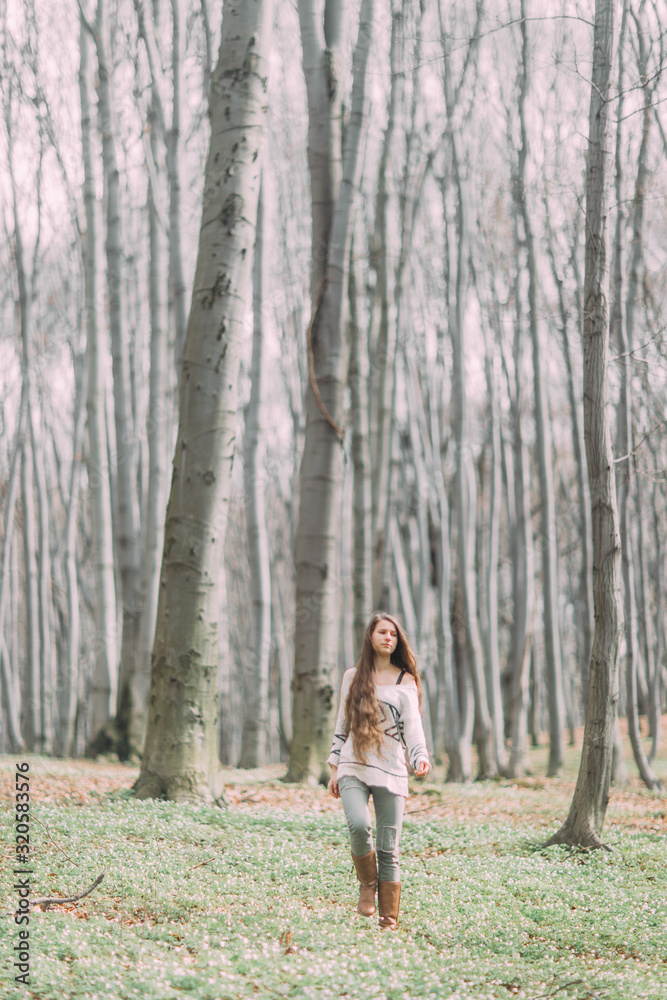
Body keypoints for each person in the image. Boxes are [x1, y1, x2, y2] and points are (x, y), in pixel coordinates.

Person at [327, 611, 431, 928]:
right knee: (359, 826)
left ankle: (389, 914)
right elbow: (342, 724)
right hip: (352, 765)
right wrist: (333, 767)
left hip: (391, 770)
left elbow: (413, 728)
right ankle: (367, 885)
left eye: (393, 634)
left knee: (389, 846)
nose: (388, 638)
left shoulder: (406, 681)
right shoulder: (353, 676)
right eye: (382, 632)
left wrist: (419, 756)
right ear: (370, 638)